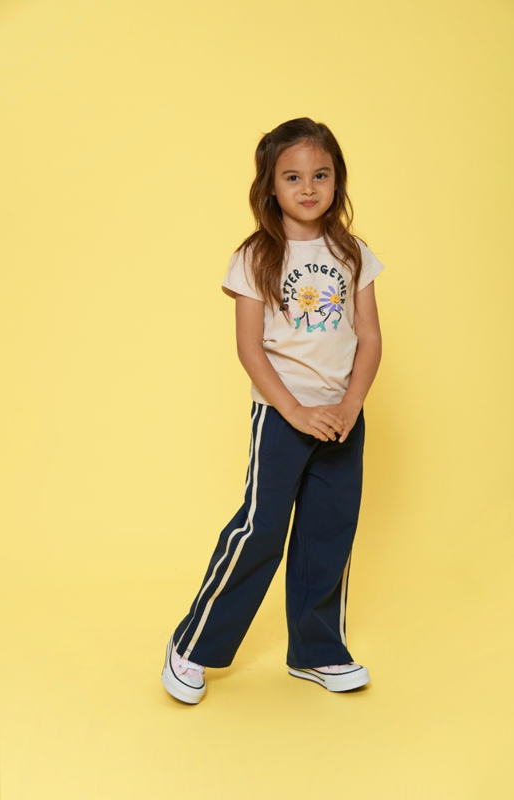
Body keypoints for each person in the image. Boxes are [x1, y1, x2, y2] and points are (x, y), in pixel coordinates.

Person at [161, 116, 386, 704]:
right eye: (293, 177)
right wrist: (294, 411)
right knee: (260, 529)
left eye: (321, 175)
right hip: (283, 417)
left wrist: (350, 404)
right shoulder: (256, 256)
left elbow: (369, 337)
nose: (308, 187)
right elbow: (249, 348)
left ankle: (317, 651)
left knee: (329, 531)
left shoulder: (353, 253)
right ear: (270, 185)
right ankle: (193, 646)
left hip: (342, 417)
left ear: (337, 181)